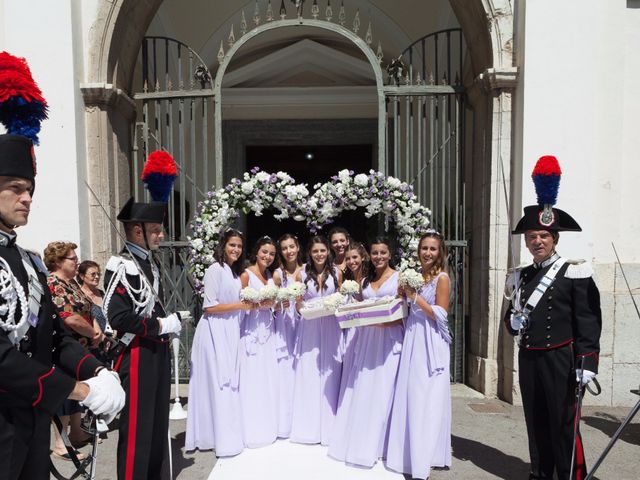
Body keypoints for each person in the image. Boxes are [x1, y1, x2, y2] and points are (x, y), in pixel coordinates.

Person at [0, 51, 124, 479]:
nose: (27, 198)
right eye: (16, 188)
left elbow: (51, 339)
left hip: (32, 423)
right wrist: (79, 389)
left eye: (29, 188)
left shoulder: (30, 262)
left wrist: (98, 370)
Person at [503, 155, 602, 480]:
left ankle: (571, 475)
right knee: (536, 420)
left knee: (563, 423)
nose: (537, 241)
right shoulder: (520, 276)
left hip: (562, 357)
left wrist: (586, 363)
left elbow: (588, 320)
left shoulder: (574, 272)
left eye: (544, 236)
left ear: (555, 239)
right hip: (530, 358)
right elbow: (509, 320)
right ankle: (541, 473)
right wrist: (513, 322)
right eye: (532, 237)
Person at [103, 150, 184, 480]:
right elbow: (118, 317)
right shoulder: (119, 265)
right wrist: (160, 325)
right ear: (137, 231)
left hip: (156, 350)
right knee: (137, 428)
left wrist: (171, 320)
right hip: (135, 354)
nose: (161, 235)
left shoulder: (149, 263)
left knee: (155, 422)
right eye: (156, 230)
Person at [328, 237, 403, 467]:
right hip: (368, 339)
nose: (379, 257)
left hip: (389, 338)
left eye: (383, 252)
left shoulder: (399, 278)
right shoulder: (366, 281)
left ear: (390, 254)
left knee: (386, 388)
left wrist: (383, 322)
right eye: (375, 253)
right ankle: (363, 439)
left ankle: (385, 444)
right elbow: (359, 308)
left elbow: (403, 310)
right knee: (366, 387)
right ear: (370, 255)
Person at [387, 230, 452, 479]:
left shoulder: (442, 278)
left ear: (440, 252)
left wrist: (414, 297)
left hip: (430, 340)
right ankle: (407, 451)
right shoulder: (418, 277)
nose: (427, 253)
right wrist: (403, 295)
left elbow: (441, 313)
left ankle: (426, 455)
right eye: (424, 248)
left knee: (427, 396)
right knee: (410, 394)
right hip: (413, 336)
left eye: (432, 249)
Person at [185, 228, 249, 457]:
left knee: (228, 380)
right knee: (216, 380)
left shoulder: (232, 272)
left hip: (230, 328)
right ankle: (211, 435)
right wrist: (241, 306)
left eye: (239, 246)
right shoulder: (215, 269)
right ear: (223, 246)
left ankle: (227, 431)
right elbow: (209, 306)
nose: (236, 249)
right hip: (214, 330)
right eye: (232, 245)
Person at [45, 241, 105, 458]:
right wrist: (92, 333)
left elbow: (87, 308)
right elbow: (70, 318)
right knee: (64, 393)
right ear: (59, 262)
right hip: (63, 350)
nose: (76, 261)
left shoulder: (71, 283)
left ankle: (77, 433)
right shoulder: (54, 283)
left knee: (79, 390)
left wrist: (95, 330)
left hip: (81, 347)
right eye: (72, 258)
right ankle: (61, 443)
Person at [290, 235, 343, 445]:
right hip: (310, 326)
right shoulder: (300, 274)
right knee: (310, 372)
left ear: (328, 251)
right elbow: (298, 304)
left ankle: (330, 429)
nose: (319, 255)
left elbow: (343, 298)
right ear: (309, 254)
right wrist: (305, 310)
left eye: (322, 250)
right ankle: (308, 428)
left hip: (331, 326)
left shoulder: (337, 273)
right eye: (315, 251)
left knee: (330, 371)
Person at [239, 236, 279, 447]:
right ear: (256, 252)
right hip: (252, 330)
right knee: (252, 377)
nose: (268, 256)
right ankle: (251, 430)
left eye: (272, 254)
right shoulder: (246, 275)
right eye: (264, 252)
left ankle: (267, 426)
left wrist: (277, 303)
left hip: (267, 330)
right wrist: (260, 303)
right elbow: (241, 303)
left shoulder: (271, 277)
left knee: (266, 376)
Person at [272, 233, 304, 438]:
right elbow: (271, 304)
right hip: (284, 323)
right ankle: (286, 419)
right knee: (286, 368)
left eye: (291, 246)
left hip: (303, 321)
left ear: (298, 247)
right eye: (284, 248)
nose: (289, 251)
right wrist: (278, 304)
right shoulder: (277, 274)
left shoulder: (306, 271)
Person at [77, 260, 108, 334]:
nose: (97, 277)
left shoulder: (104, 294)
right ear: (82, 276)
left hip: (111, 339)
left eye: (98, 274)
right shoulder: (78, 296)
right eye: (93, 274)